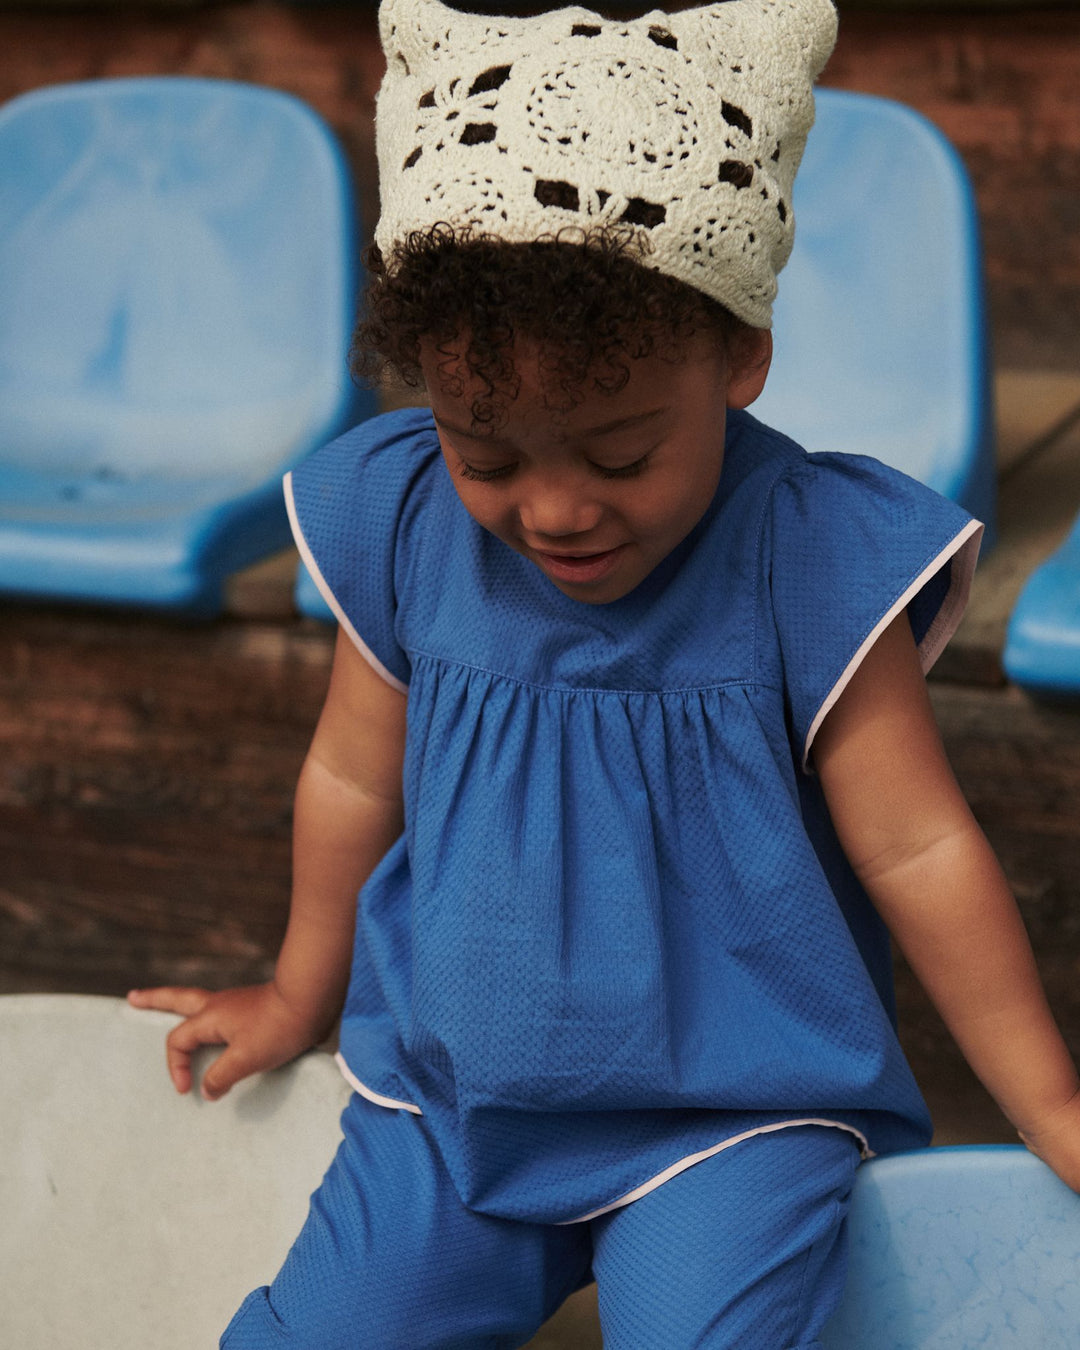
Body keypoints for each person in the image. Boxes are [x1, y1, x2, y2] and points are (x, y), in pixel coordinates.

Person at [130, 0, 1080, 1344]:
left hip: (726, 1118)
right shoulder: (404, 522)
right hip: (455, 1105)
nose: (557, 509)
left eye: (621, 455)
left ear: (741, 355)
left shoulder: (801, 557)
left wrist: (1054, 1103)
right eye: (489, 454)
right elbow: (351, 771)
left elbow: (921, 847)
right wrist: (299, 987)